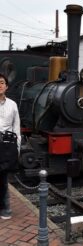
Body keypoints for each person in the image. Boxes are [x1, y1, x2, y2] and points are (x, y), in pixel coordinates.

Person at [0, 73, 21, 220]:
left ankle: (6, 209)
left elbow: (16, 128)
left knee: (3, 179)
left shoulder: (12, 105)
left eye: (1, 82)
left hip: (6, 145)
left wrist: (17, 149)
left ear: (6, 86)